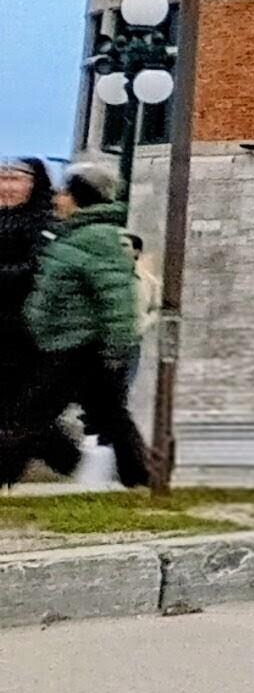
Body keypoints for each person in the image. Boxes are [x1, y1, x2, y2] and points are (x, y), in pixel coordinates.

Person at [24, 165, 150, 490]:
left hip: (78, 344)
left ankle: (77, 464)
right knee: (110, 415)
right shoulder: (78, 234)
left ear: (80, 197)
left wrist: (116, 347)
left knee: (30, 415)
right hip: (73, 342)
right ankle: (141, 477)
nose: (58, 199)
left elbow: (116, 296)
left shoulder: (96, 238)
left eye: (65, 192)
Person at [0, 159, 57, 483]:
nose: (6, 186)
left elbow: (37, 270)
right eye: (2, 178)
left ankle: (64, 459)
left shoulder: (42, 222)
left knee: (18, 405)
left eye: (15, 179)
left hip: (24, 329)